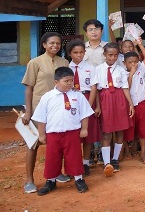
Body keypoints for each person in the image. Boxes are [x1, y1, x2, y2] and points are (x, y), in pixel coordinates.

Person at [32, 67, 94, 195]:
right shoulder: (47, 97)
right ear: (56, 82)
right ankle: (50, 181)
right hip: (53, 134)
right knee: (52, 158)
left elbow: (84, 114)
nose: (70, 83)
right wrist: (41, 134)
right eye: (66, 81)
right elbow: (41, 118)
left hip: (72, 133)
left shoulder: (78, 96)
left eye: (71, 80)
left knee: (74, 156)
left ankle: (78, 179)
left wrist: (84, 128)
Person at [21, 32, 70, 193]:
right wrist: (28, 111)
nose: (55, 46)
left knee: (57, 142)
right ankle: (29, 179)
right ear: (44, 44)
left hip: (59, 108)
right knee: (33, 144)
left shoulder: (64, 62)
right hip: (38, 109)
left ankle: (56, 173)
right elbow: (29, 88)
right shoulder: (35, 63)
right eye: (51, 43)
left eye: (58, 43)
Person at [93, 42, 135, 177]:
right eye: (110, 55)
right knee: (106, 132)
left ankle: (115, 159)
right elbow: (97, 90)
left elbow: (125, 88)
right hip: (105, 99)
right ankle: (106, 162)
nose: (112, 58)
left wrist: (130, 104)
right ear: (104, 54)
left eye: (115, 55)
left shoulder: (121, 70)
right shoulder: (98, 69)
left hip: (119, 99)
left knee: (119, 131)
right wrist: (98, 106)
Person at [66, 39, 100, 176]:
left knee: (88, 135)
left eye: (81, 52)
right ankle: (73, 164)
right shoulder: (67, 68)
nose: (78, 55)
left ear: (85, 53)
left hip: (87, 98)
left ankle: (86, 163)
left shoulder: (91, 67)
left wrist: (91, 106)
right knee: (73, 135)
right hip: (72, 101)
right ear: (70, 54)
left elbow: (94, 87)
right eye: (75, 53)